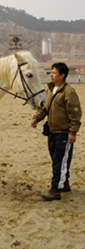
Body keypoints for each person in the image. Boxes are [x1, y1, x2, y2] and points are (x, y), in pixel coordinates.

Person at [31, 62, 82, 201]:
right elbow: (45, 109)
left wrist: (73, 132)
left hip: (64, 133)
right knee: (56, 160)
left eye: (54, 72)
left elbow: (75, 114)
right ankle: (64, 184)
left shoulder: (68, 92)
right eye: (51, 72)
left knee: (60, 161)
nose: (51, 75)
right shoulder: (51, 89)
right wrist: (36, 119)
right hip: (52, 132)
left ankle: (55, 189)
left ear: (62, 75)